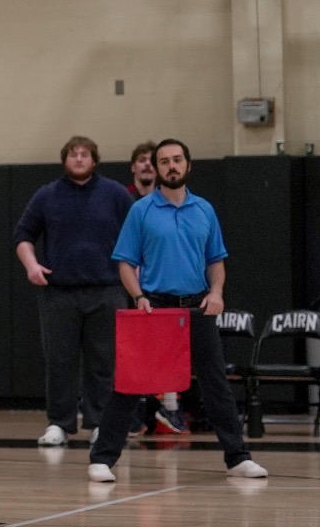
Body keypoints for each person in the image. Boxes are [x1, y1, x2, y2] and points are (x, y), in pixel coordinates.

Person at [88, 139, 267, 481]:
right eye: (164, 161)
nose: (171, 166)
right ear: (155, 168)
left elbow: (216, 260)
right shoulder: (141, 211)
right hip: (155, 307)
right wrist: (138, 295)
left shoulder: (204, 210)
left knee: (216, 384)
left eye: (177, 160)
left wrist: (216, 292)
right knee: (130, 384)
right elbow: (125, 262)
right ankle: (102, 458)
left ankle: (238, 457)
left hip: (197, 308)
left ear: (188, 165)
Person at [13, 136, 134, 447]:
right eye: (73, 154)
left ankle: (99, 424)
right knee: (59, 360)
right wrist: (31, 265)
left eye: (85, 154)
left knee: (104, 360)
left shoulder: (115, 194)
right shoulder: (47, 195)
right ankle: (59, 423)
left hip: (107, 289)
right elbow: (23, 235)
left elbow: (137, 234)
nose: (79, 159)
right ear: (64, 160)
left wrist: (134, 274)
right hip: (59, 293)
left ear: (94, 161)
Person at [124, 140, 187, 435]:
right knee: (136, 353)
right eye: (143, 160)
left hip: (166, 287)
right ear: (134, 167)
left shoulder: (181, 204)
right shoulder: (128, 203)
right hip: (133, 287)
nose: (148, 165)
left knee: (170, 350)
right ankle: (132, 415)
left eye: (154, 160)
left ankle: (170, 407)